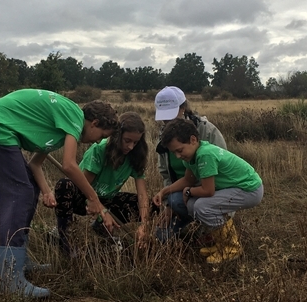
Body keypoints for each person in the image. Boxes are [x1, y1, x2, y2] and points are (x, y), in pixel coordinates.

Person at [0, 88, 119, 298]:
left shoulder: (62, 124)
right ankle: (10, 280)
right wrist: (94, 200)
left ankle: (21, 261)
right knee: (19, 194)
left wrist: (47, 191)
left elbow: (35, 164)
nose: (97, 142)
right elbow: (69, 165)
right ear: (94, 123)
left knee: (28, 189)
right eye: (102, 135)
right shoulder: (75, 117)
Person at [152, 118, 264, 264]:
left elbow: (208, 191)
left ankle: (231, 248)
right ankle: (221, 244)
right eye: (174, 153)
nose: (178, 156)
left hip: (250, 190)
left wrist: (188, 192)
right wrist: (164, 192)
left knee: (202, 206)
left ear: (193, 140)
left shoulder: (205, 155)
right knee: (193, 205)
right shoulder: (192, 155)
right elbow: (188, 180)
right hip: (239, 188)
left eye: (179, 150)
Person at [53, 112, 156, 256]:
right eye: (127, 140)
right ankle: (65, 239)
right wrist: (103, 212)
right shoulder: (100, 149)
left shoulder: (135, 156)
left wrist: (145, 225)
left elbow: (142, 194)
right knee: (65, 186)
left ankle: (100, 227)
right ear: (117, 136)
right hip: (85, 197)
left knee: (153, 206)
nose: (131, 146)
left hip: (107, 199)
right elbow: (85, 189)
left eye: (136, 142)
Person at [153, 86, 228, 241]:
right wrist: (169, 206)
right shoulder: (164, 138)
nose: (167, 121)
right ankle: (185, 216)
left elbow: (223, 172)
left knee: (207, 240)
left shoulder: (207, 131)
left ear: (183, 108)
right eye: (164, 117)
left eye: (171, 115)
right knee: (160, 237)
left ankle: (215, 224)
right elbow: (165, 174)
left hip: (209, 193)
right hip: (181, 195)